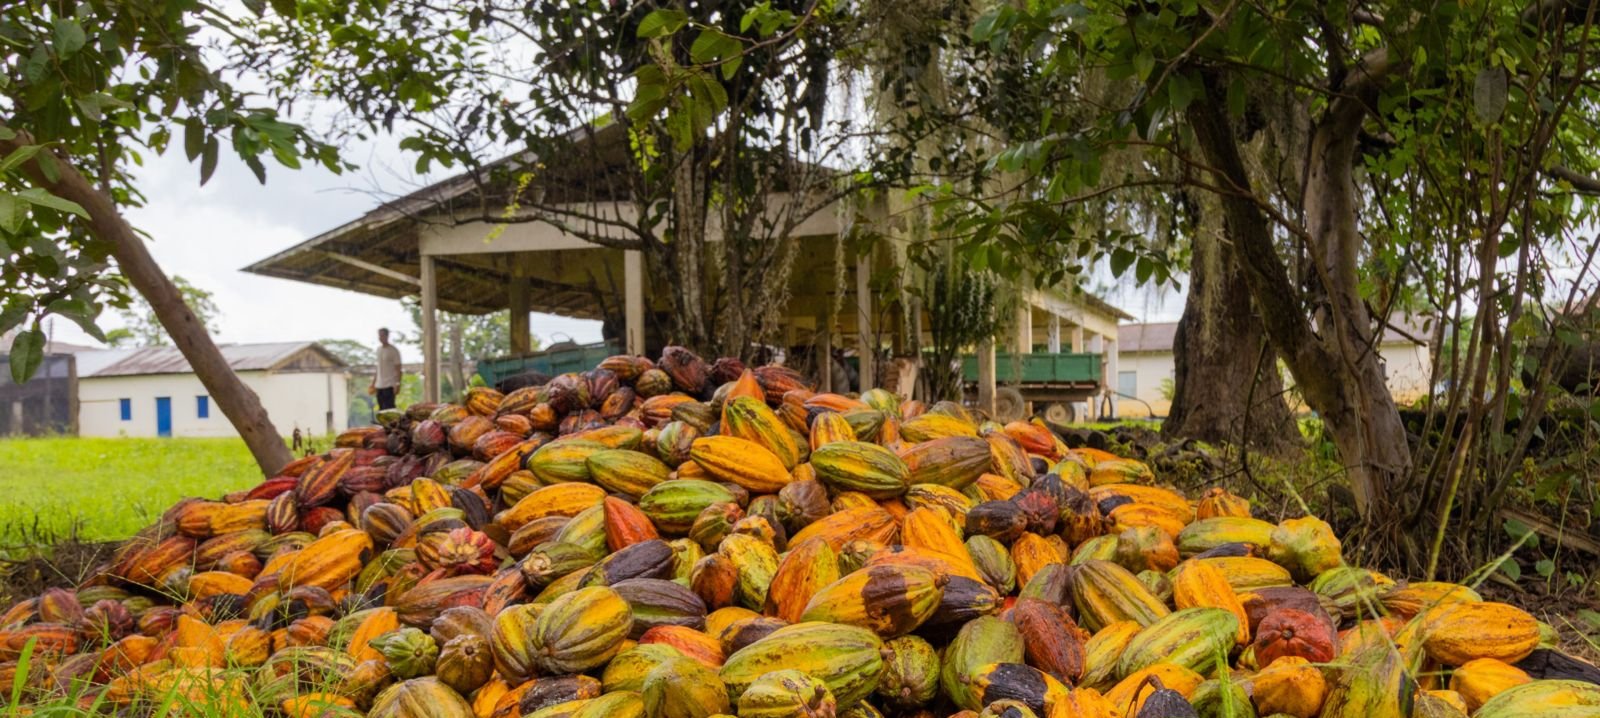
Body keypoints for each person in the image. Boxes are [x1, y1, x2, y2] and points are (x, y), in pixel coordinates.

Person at [370, 328, 403, 410]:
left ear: (387, 336)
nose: (380, 337)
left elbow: (398, 368)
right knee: (381, 408)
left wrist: (397, 383)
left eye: (382, 335)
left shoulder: (393, 350)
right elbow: (378, 367)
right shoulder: (378, 350)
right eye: (379, 336)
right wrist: (373, 383)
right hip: (379, 385)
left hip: (389, 384)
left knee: (389, 408)